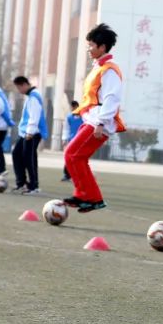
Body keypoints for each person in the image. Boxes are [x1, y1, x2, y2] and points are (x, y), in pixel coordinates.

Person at [63, 23, 125, 212]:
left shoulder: (109, 70)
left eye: (91, 45)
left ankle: (86, 196)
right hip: (91, 120)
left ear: (102, 47)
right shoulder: (99, 68)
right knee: (76, 157)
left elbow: (111, 99)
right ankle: (92, 198)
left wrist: (100, 123)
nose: (89, 49)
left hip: (98, 121)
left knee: (72, 155)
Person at [11, 75, 47, 195]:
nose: (19, 91)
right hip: (25, 132)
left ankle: (33, 186)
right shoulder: (31, 96)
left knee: (29, 158)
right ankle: (21, 183)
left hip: (32, 133)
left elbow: (34, 116)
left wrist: (30, 132)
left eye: (19, 88)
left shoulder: (34, 97)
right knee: (17, 154)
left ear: (24, 85)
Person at [61, 100, 83, 182]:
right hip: (71, 140)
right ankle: (67, 175)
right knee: (68, 157)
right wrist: (64, 139)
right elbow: (66, 129)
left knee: (79, 158)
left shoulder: (84, 117)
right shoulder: (69, 117)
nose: (73, 109)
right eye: (72, 107)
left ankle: (79, 175)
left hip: (81, 140)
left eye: (75, 107)